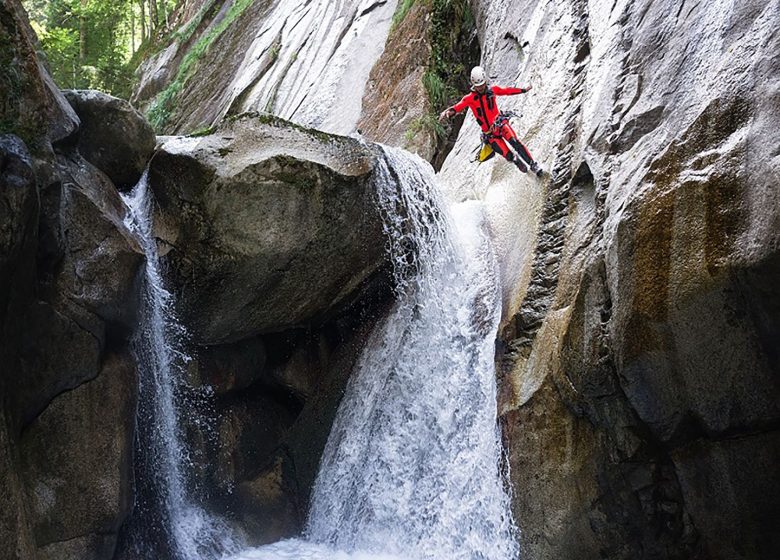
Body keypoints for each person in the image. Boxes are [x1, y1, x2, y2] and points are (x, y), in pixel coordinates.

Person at [439, 66, 543, 176]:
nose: (480, 88)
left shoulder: (492, 91)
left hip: (501, 125)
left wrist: (523, 90)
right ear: (473, 84)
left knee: (515, 142)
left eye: (482, 85)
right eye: (478, 86)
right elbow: (457, 107)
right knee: (508, 155)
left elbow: (506, 91)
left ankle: (533, 165)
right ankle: (516, 160)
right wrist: (448, 113)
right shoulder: (469, 98)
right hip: (490, 135)